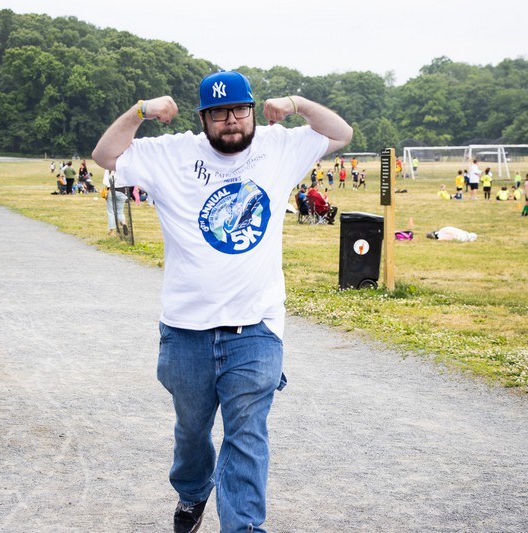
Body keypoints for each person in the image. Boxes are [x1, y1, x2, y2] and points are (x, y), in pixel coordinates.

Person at [91, 70, 352, 533]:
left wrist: (296, 103)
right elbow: (105, 155)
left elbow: (341, 133)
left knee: (246, 434)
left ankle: (243, 527)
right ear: (202, 119)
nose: (230, 121)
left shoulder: (278, 146)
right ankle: (193, 491)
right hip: (186, 331)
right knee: (192, 431)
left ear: (252, 110)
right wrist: (141, 111)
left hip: (255, 329)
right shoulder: (172, 154)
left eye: (238, 110)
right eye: (218, 113)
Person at [102, 169, 128, 236]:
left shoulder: (108, 169)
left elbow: (105, 182)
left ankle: (112, 231)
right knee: (120, 211)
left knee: (111, 212)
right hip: (122, 192)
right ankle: (124, 223)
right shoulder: (123, 168)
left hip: (111, 191)